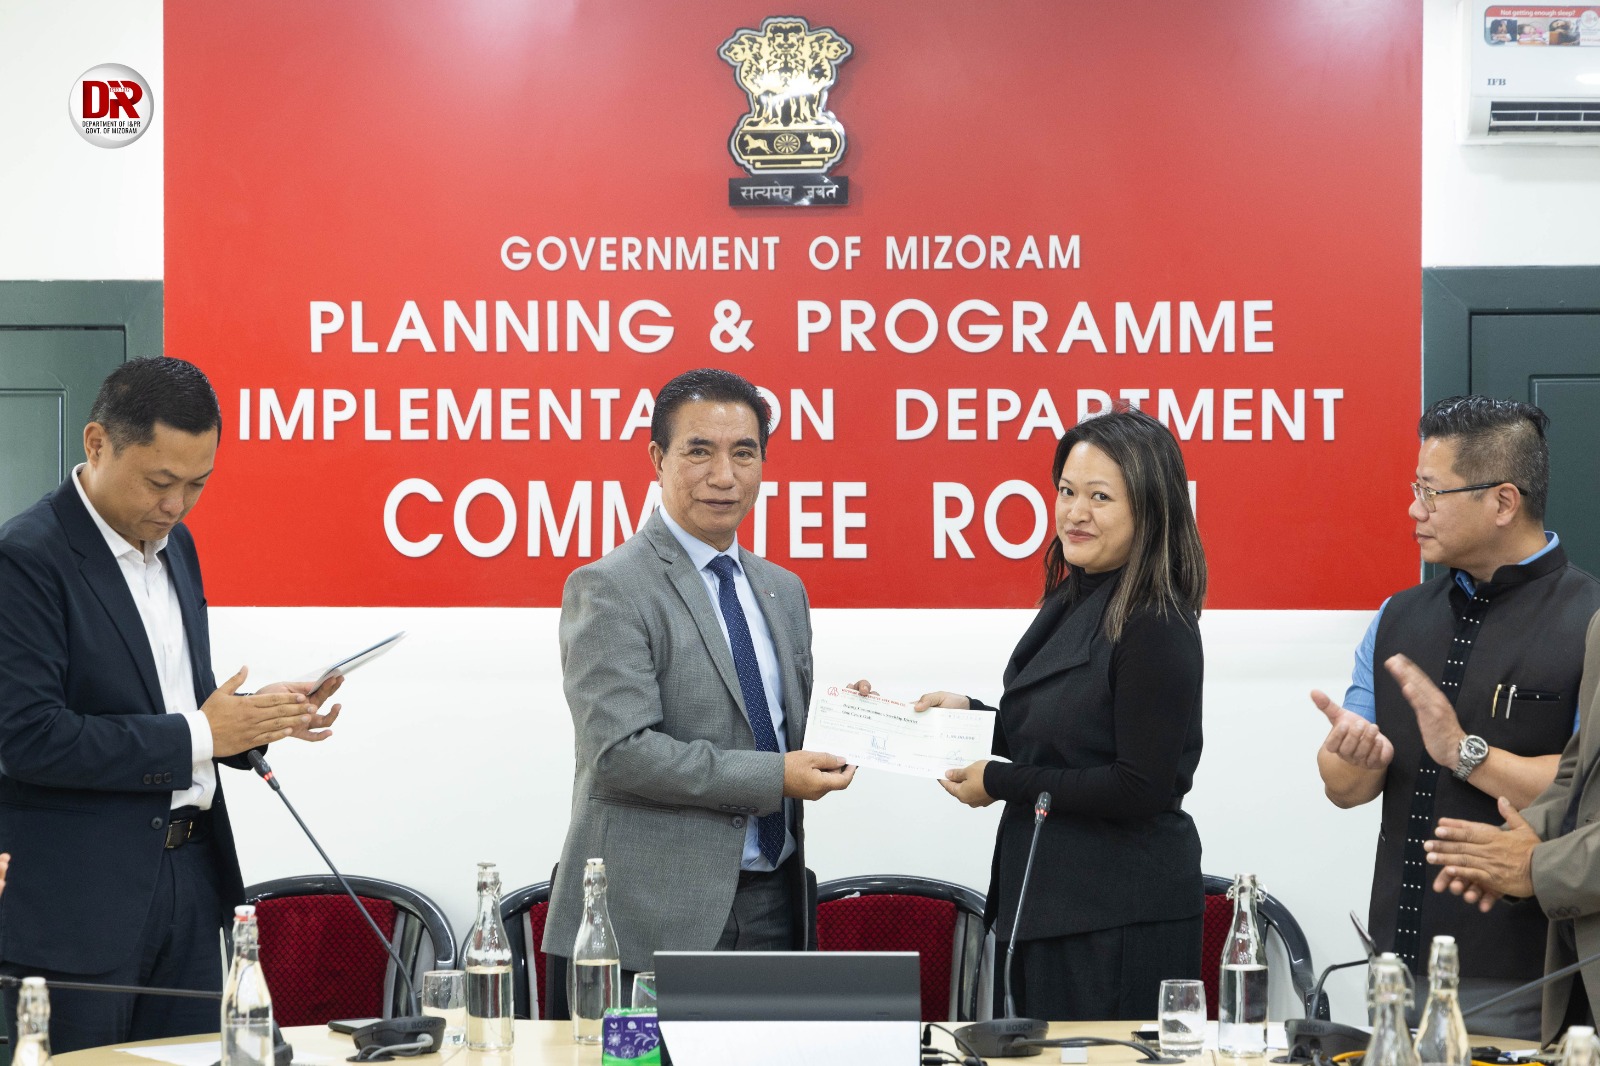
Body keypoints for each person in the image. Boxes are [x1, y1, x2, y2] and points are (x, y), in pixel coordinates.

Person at [0, 357, 343, 1052]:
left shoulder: (176, 547)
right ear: (97, 443)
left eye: (197, 484)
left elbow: (178, 703)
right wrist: (202, 733)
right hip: (81, 905)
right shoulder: (27, 557)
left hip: (193, 878)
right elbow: (29, 737)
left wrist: (256, 716)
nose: (177, 505)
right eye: (160, 482)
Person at [541, 367, 856, 1005]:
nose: (724, 476)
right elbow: (621, 753)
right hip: (651, 916)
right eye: (699, 452)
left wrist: (853, 721)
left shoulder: (783, 590)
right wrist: (776, 777)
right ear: (658, 459)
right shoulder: (610, 586)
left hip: (774, 906)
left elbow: (771, 731)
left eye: (744, 453)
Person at [1313, 395, 1600, 1038]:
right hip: (1394, 964)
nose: (1415, 510)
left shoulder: (1590, 623)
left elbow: (1582, 797)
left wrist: (1467, 753)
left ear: (1503, 502)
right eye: (1415, 489)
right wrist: (1353, 758)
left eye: (1432, 492)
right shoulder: (1396, 616)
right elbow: (1343, 788)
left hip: (1521, 975)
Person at [916, 405, 1207, 1020]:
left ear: (1150, 508)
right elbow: (1066, 730)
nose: (1075, 512)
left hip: (1117, 916)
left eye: (1099, 496)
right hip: (1051, 900)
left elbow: (1139, 786)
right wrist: (970, 716)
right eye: (1067, 491)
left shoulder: (1156, 622)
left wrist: (1000, 781)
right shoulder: (1077, 592)